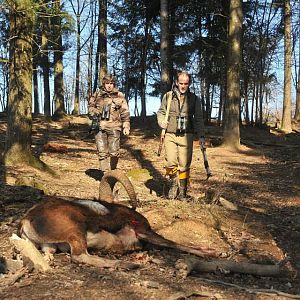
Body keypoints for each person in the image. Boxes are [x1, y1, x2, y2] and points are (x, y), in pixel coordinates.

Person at [157, 71, 205, 200]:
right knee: (171, 161)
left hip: (186, 135)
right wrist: (162, 122)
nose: (183, 86)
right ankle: (173, 186)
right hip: (170, 134)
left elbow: (199, 119)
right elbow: (161, 112)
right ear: (177, 83)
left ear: (189, 84)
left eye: (186, 83)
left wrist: (201, 136)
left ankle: (182, 192)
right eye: (181, 83)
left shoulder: (194, 99)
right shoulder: (168, 96)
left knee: (184, 164)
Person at [88, 74, 130, 172]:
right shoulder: (97, 94)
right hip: (100, 127)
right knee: (102, 153)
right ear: (104, 84)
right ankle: (106, 176)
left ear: (114, 84)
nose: (109, 85)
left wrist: (126, 126)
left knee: (114, 152)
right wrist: (95, 112)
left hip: (114, 127)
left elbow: (125, 112)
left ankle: (113, 172)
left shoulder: (120, 95)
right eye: (107, 83)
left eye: (111, 83)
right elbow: (90, 107)